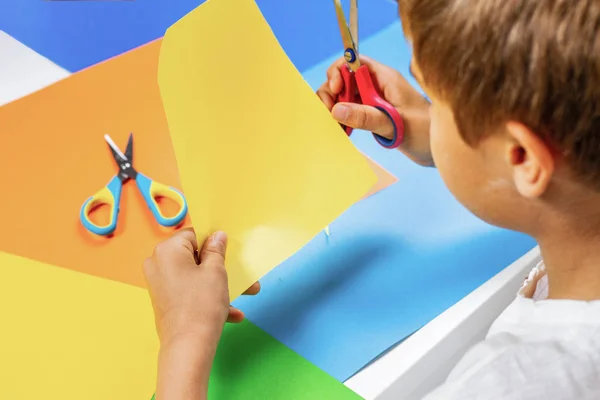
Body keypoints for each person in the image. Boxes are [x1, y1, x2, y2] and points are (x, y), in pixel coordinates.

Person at [144, 0, 600, 398]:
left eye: (436, 99)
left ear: (520, 156)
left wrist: (184, 341)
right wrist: (427, 127)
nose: (428, 106)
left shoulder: (516, 384)